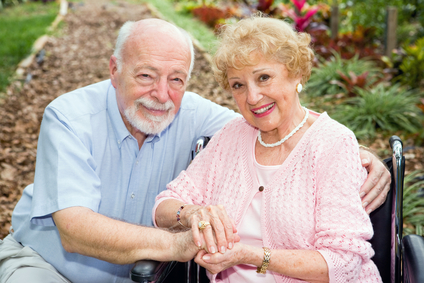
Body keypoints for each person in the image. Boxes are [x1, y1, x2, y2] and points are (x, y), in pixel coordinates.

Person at [0, 18, 387, 283]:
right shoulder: (68, 116)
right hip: (46, 264)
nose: (161, 94)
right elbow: (76, 232)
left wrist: (358, 150)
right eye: (145, 75)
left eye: (176, 80)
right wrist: (186, 232)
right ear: (114, 70)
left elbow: (290, 128)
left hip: (139, 272)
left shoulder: (205, 116)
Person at [154, 16, 383, 283]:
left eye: (264, 78)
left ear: (296, 73)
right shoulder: (232, 136)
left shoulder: (332, 144)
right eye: (238, 85)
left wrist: (250, 256)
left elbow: (343, 263)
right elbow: (163, 208)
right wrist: (192, 212)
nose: (252, 97)